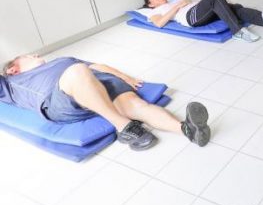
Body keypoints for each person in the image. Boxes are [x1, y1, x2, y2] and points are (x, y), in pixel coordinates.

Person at [2, 54, 211, 151]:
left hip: (98, 84)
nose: (36, 54)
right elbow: (80, 71)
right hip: (59, 100)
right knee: (77, 71)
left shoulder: (62, 59)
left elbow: (98, 65)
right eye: (29, 56)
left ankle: (187, 129)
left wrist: (125, 77)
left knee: (139, 107)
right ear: (13, 69)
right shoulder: (10, 83)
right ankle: (125, 127)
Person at [141, 0, 263, 43]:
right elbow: (159, 23)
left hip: (199, 11)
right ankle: (237, 32)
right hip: (191, 17)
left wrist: (223, 5)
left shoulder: (173, 0)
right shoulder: (154, 11)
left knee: (234, 8)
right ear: (151, 4)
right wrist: (177, 6)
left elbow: (195, 3)